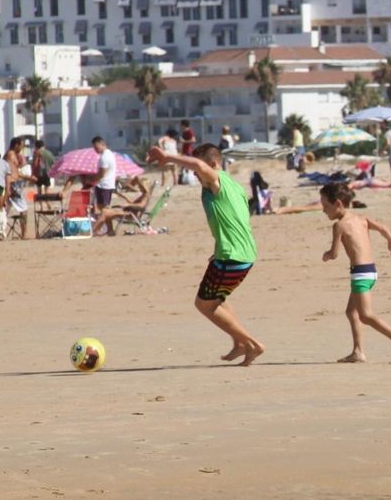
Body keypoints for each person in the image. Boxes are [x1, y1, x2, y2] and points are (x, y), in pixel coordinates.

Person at [145, 142, 264, 365]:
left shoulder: (217, 181)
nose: (198, 176)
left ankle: (252, 344)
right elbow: (235, 220)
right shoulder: (234, 186)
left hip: (231, 257)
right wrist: (219, 248)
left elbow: (199, 165)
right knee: (218, 299)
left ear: (214, 164)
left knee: (204, 305)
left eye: (199, 172)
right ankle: (239, 343)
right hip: (242, 255)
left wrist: (167, 156)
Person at [320, 182, 391, 364]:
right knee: (351, 312)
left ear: (338, 204)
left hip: (360, 274)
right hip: (370, 271)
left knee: (366, 315)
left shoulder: (339, 226)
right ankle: (358, 352)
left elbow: (334, 254)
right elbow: (383, 228)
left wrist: (327, 255)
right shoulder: (362, 219)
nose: (323, 211)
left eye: (325, 206)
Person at [90, 136, 117, 217]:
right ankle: (108, 227)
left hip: (103, 185)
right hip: (108, 184)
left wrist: (92, 180)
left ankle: (109, 227)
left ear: (103, 144)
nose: (95, 150)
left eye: (97, 147)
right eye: (94, 148)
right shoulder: (110, 154)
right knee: (103, 207)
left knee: (103, 208)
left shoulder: (104, 157)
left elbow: (102, 173)